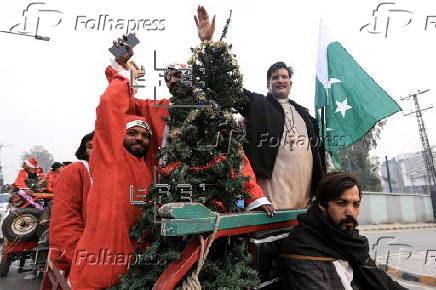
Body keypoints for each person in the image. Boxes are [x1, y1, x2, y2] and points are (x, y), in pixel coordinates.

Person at [111, 37, 274, 214]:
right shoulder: (157, 109)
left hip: (211, 197)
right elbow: (119, 102)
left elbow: (235, 157)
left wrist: (255, 198)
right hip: (165, 196)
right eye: (167, 77)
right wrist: (120, 65)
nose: (172, 80)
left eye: (178, 75)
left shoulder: (211, 112)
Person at [194, 6, 326, 210]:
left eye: (284, 77)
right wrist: (209, 44)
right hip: (271, 204)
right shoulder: (257, 104)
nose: (280, 80)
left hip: (305, 207)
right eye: (275, 77)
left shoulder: (304, 114)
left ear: (291, 83)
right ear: (268, 84)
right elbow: (226, 86)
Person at [68, 48, 154, 288]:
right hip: (97, 274)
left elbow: (133, 108)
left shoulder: (146, 167)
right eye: (132, 133)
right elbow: (110, 106)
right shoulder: (109, 158)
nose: (139, 138)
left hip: (133, 274)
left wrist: (135, 80)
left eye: (145, 135)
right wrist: (120, 71)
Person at [279, 172, 407, 289]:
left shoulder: (351, 243)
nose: (350, 212)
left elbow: (385, 283)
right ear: (322, 205)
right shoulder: (302, 250)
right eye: (341, 203)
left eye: (355, 205)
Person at [49, 132, 94, 274]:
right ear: (84, 151)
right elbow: (65, 222)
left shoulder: (116, 172)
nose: (98, 149)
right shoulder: (76, 170)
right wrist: (81, 259)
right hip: (87, 258)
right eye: (91, 146)